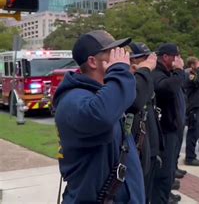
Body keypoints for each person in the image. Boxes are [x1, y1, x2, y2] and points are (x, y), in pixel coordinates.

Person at [53, 30, 145, 203]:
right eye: (113, 53)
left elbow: (133, 99)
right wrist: (118, 71)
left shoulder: (103, 95)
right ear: (93, 62)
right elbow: (101, 117)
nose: (121, 57)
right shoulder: (73, 100)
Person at [126, 42, 163, 203]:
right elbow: (137, 103)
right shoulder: (131, 82)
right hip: (136, 149)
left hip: (149, 146)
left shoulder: (145, 78)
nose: (150, 62)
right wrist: (143, 71)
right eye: (145, 59)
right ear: (132, 61)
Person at [151, 43, 185, 204]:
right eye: (176, 56)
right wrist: (178, 71)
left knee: (169, 172)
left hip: (172, 130)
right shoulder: (157, 73)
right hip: (164, 132)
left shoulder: (167, 73)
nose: (179, 60)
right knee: (162, 176)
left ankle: (166, 197)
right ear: (165, 57)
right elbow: (168, 89)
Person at [183, 57, 199, 166]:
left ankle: (191, 156)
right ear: (192, 65)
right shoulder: (189, 74)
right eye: (197, 64)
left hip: (197, 106)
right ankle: (190, 158)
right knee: (193, 133)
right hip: (193, 107)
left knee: (195, 132)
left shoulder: (194, 73)